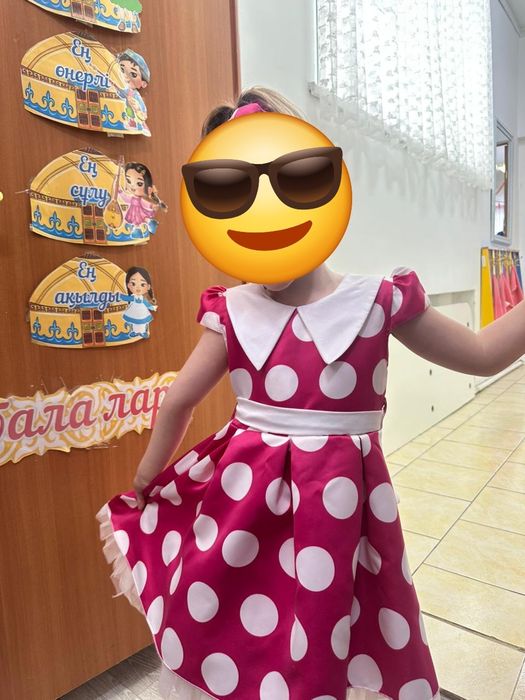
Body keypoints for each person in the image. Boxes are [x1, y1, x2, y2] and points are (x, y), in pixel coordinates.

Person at [96, 86, 525, 700]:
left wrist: (146, 479)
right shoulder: (239, 311)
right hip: (282, 518)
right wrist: (145, 482)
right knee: (288, 642)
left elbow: (177, 402)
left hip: (310, 524)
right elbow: (482, 355)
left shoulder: (372, 302)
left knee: (276, 638)